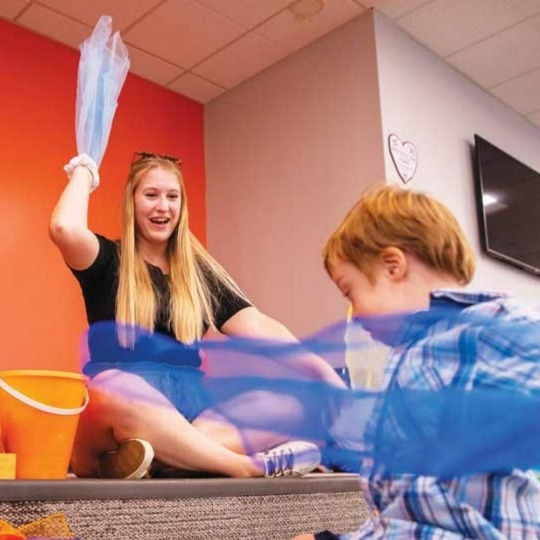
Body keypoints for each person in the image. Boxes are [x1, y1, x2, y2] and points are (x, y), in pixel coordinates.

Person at [50, 151, 344, 480]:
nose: (163, 206)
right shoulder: (107, 260)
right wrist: (84, 172)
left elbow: (258, 325)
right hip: (115, 414)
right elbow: (64, 227)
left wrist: (323, 374)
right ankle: (242, 466)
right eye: (151, 195)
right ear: (132, 202)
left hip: (191, 413)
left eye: (172, 196)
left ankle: (164, 460)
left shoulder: (199, 275)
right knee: (115, 386)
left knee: (291, 405)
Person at [293, 185, 540, 539]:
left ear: (392, 265)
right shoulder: (406, 359)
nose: (355, 315)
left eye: (351, 292)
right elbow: (401, 505)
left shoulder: (491, 325)